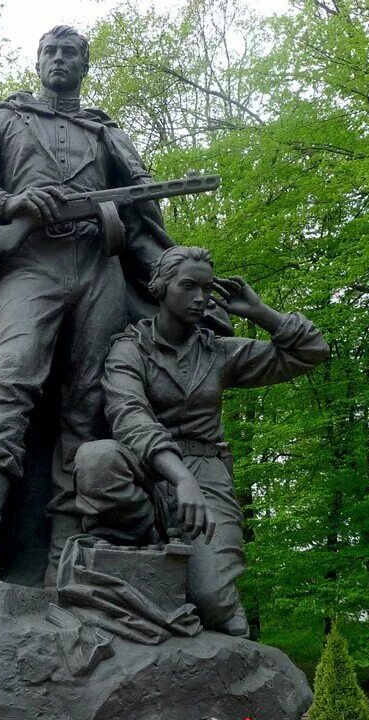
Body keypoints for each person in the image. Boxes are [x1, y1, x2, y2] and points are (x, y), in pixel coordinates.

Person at [0, 25, 192, 576]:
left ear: (85, 65)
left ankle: (66, 547)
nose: (61, 58)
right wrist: (9, 201)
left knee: (90, 406)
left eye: (72, 52)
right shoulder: (7, 119)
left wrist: (178, 279)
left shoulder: (105, 134)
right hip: (29, 266)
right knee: (4, 379)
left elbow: (141, 225)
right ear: (38, 60)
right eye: (52, 50)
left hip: (99, 270)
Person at [70, 246, 329, 636]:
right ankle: (146, 545)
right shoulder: (129, 348)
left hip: (207, 475)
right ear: (160, 287)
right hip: (149, 472)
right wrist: (179, 478)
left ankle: (203, 576)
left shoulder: (219, 352)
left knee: (212, 604)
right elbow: (130, 417)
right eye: (187, 286)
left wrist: (259, 312)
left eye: (206, 289)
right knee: (96, 458)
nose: (200, 298)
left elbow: (310, 351)